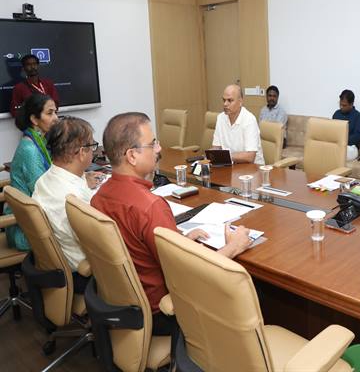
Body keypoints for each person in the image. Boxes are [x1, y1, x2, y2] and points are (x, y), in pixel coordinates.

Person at [92, 112, 252, 336]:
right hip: (162, 311)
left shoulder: (99, 196)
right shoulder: (150, 207)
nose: (159, 149)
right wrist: (233, 247)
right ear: (132, 156)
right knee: (246, 290)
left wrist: (179, 240)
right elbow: (188, 274)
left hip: (124, 303)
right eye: (152, 144)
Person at [32, 116, 102, 294]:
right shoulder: (75, 199)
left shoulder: (44, 180)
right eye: (92, 146)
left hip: (58, 263)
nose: (94, 151)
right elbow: (101, 245)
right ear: (82, 152)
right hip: (84, 273)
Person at [5, 93, 58, 250]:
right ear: (34, 119)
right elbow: (43, 191)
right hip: (24, 228)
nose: (56, 118)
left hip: (33, 217)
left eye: (56, 112)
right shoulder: (30, 150)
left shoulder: (39, 141)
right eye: (50, 113)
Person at [212, 84, 265, 164]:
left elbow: (250, 156)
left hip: (252, 167)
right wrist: (209, 155)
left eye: (230, 100)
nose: (225, 104)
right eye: (224, 100)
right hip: (230, 165)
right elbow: (216, 147)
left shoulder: (249, 120)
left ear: (240, 102)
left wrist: (225, 156)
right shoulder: (221, 118)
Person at [332, 89, 360, 161]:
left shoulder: (358, 117)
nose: (341, 107)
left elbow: (357, 137)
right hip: (336, 145)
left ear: (351, 104)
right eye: (340, 104)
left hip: (351, 148)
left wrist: (342, 141)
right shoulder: (336, 114)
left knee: (340, 152)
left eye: (344, 105)